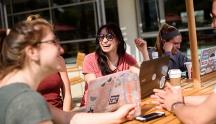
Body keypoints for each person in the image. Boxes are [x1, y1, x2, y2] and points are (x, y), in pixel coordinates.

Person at [0, 17, 136, 124]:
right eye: (53, 42)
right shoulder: (27, 101)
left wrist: (117, 116)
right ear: (32, 52)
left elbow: (66, 118)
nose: (61, 50)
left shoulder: (18, 92)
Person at [151, 1, 216, 123]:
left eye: (214, 17)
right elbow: (161, 72)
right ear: (164, 42)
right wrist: (180, 99)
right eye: (175, 43)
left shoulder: (178, 55)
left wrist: (175, 103)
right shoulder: (155, 54)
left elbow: (198, 119)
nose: (212, 24)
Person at [80, 23, 149, 106]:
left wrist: (144, 52)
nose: (104, 41)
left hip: (118, 105)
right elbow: (95, 87)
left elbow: (144, 78)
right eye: (101, 37)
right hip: (94, 108)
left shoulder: (126, 58)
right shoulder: (90, 59)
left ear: (118, 40)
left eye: (109, 37)